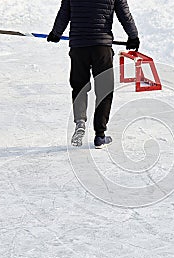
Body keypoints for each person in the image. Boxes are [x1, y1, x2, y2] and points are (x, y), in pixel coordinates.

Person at [47, 0, 140, 148]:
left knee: (79, 86)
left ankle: (80, 121)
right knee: (104, 90)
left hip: (78, 46)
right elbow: (124, 14)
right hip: (101, 48)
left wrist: (56, 33)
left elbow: (64, 13)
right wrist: (133, 37)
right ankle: (100, 134)